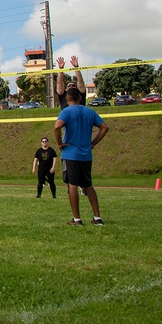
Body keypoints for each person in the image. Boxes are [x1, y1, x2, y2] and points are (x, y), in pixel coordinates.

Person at [54, 88, 109, 225]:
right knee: (88, 185)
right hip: (85, 155)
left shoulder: (66, 111)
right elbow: (105, 127)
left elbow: (57, 127)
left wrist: (60, 143)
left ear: (67, 99)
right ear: (80, 98)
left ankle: (77, 219)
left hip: (71, 154)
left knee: (72, 185)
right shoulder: (90, 111)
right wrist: (93, 143)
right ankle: (97, 218)